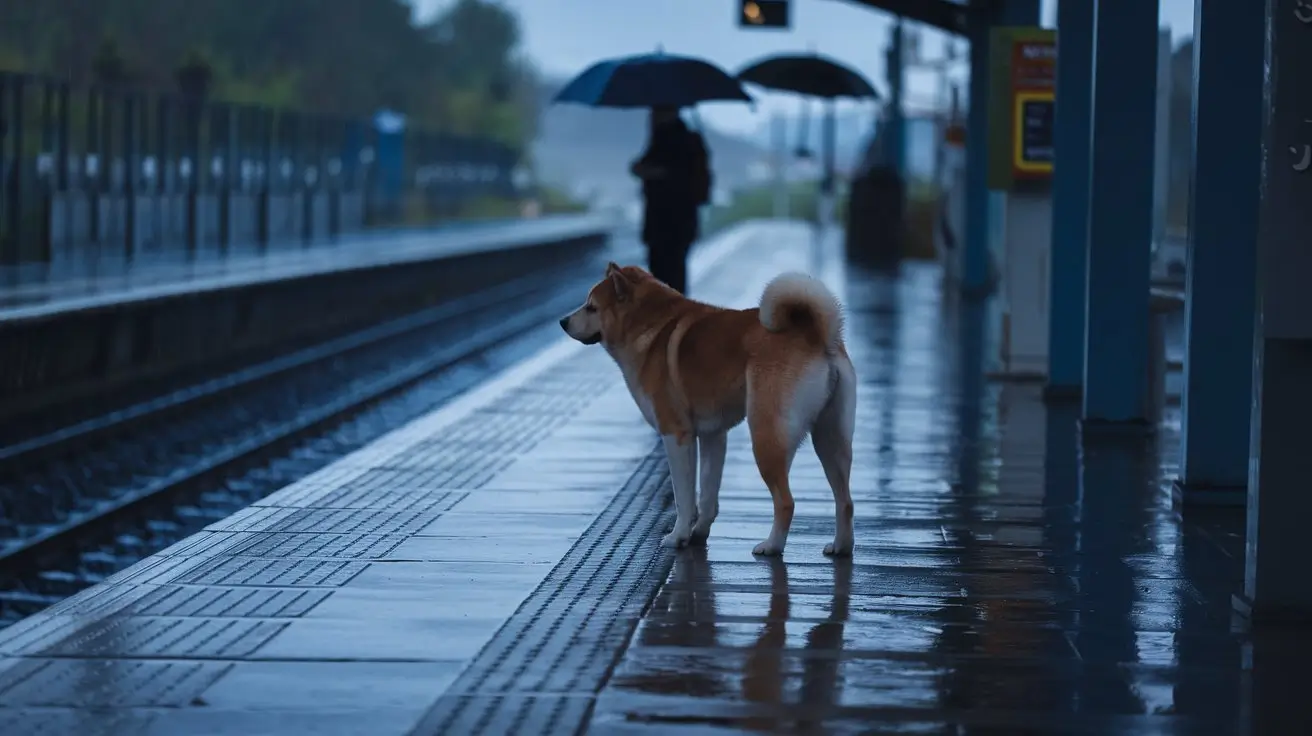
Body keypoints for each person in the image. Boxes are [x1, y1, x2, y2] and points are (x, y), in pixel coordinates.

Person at [629, 105, 711, 295]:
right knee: (673, 275)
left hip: (667, 223)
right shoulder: (681, 138)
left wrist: (646, 171)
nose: (651, 115)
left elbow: (672, 174)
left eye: (656, 110)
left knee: (666, 276)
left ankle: (672, 319)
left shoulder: (671, 140)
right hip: (680, 223)